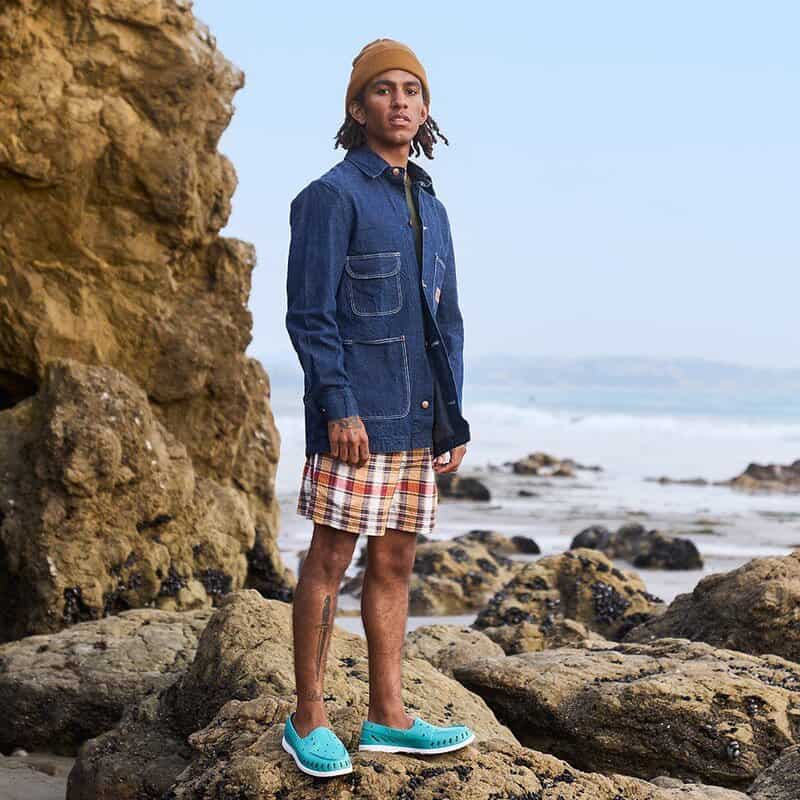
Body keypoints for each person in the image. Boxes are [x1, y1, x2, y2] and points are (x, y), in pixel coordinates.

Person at [282, 38, 473, 777]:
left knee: (396, 561)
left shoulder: (431, 205)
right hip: (355, 420)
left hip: (418, 417)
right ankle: (308, 718)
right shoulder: (331, 196)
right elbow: (310, 315)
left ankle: (389, 717)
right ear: (358, 108)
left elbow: (445, 322)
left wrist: (451, 419)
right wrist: (338, 406)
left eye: (412, 91)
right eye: (384, 90)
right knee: (331, 558)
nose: (400, 102)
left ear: (426, 111)